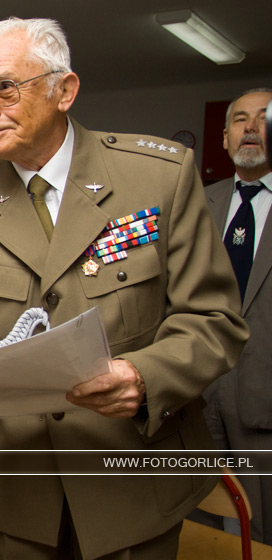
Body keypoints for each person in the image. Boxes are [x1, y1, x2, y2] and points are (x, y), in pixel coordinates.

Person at [0, 17, 249, 559]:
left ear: (65, 90)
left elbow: (213, 321)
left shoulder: (158, 178)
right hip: (13, 487)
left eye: (4, 89)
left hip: (130, 482)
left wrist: (143, 377)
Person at [203, 87, 272, 545]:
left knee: (262, 529)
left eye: (264, 118)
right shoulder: (196, 202)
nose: (250, 128)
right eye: (240, 120)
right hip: (197, 390)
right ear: (225, 137)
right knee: (197, 519)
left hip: (264, 395)